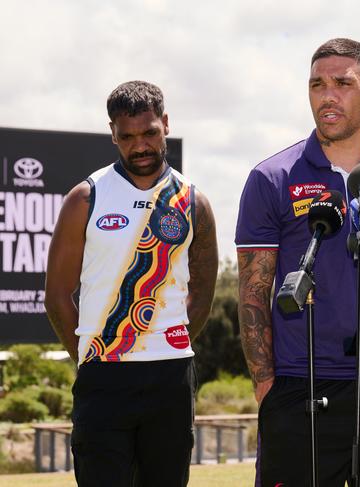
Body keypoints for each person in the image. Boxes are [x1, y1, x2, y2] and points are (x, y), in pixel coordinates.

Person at [236, 38, 360, 486]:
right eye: (317, 84)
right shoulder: (271, 178)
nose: (327, 95)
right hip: (301, 389)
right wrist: (267, 390)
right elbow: (252, 292)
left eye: (343, 83)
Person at [44, 80, 218, 487]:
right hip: (103, 375)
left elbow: (204, 291)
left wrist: (168, 342)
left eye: (149, 133)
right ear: (113, 133)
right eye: (128, 137)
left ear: (166, 125)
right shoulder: (85, 197)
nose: (140, 146)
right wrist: (88, 356)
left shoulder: (193, 202)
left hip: (171, 378)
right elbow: (56, 295)